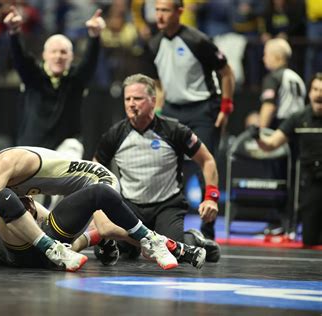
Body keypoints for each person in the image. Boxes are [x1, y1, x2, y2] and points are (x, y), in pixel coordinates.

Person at [0, 134, 207, 270]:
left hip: (96, 182)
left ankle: (157, 241)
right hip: (46, 238)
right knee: (97, 232)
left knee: (106, 227)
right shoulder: (5, 186)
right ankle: (167, 243)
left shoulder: (3, 164)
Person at [94, 74, 221, 262]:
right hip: (130, 207)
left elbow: (207, 160)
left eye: (137, 98)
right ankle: (134, 245)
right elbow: (94, 169)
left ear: (153, 101)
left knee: (173, 251)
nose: (131, 104)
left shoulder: (174, 130)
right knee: (105, 253)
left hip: (167, 205)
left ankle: (194, 238)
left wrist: (211, 197)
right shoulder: (115, 134)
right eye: (127, 99)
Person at [143, 0, 236, 239]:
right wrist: (159, 111)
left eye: (165, 11)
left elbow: (227, 73)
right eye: (157, 10)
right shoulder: (154, 43)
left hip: (203, 110)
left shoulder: (198, 40)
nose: (160, 16)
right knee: (169, 170)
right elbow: (159, 83)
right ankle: (169, 227)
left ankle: (208, 232)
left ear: (180, 12)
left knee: (204, 164)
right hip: (173, 110)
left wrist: (226, 107)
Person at [3, 6, 105, 157]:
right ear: (44, 55)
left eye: (63, 52)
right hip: (32, 148)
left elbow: (89, 63)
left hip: (65, 148)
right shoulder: (33, 77)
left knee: (73, 146)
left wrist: (94, 36)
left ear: (71, 57)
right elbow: (20, 58)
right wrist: (14, 32)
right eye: (54, 51)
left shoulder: (76, 80)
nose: (58, 56)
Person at [255, 73, 322, 246]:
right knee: (310, 240)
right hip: (312, 182)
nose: (318, 94)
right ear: (309, 92)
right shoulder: (299, 118)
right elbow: (271, 144)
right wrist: (257, 136)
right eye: (315, 89)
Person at [259, 38, 306, 130]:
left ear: (277, 56)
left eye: (266, 54)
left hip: (281, 128)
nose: (263, 58)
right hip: (300, 127)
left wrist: (260, 131)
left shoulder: (273, 78)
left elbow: (269, 106)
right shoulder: (297, 78)